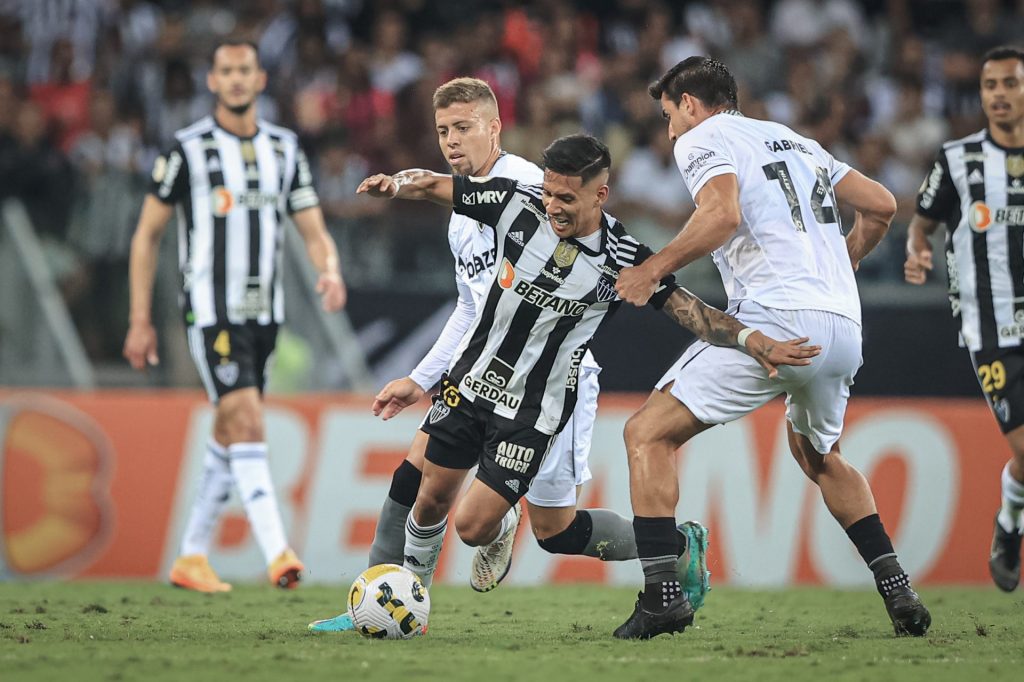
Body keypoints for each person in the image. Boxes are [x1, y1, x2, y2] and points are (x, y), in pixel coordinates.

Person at [309, 78, 711, 633]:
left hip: (548, 385)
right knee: (415, 479)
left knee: (557, 531)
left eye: (464, 128)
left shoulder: (531, 189)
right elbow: (472, 306)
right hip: (482, 372)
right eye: (443, 131)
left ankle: (678, 547)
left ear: (494, 127)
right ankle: (387, 605)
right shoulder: (462, 214)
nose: (452, 142)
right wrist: (421, 378)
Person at [352, 133, 819, 610]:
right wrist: (397, 184)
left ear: (600, 195)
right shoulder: (515, 202)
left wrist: (751, 340)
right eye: (549, 193)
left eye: (566, 198)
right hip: (469, 385)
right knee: (428, 500)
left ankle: (668, 541)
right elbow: (435, 186)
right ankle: (409, 606)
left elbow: (689, 310)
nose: (552, 206)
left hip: (533, 411)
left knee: (474, 528)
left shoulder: (622, 256)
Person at [613, 56, 931, 639]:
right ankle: (898, 589)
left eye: (668, 116)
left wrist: (653, 268)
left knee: (646, 433)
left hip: (775, 317)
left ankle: (662, 595)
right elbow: (883, 205)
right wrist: (845, 262)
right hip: (842, 325)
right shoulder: (797, 142)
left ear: (690, 103)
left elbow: (722, 214)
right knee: (819, 456)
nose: (669, 133)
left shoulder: (704, 137)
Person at [123, 40, 347, 593]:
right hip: (210, 312)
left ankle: (191, 556)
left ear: (261, 78)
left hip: (265, 314)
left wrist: (331, 269)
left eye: (246, 69)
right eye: (226, 70)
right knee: (246, 419)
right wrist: (139, 317)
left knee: (231, 427)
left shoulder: (285, 148)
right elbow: (147, 236)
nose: (237, 79)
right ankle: (278, 552)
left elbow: (313, 229)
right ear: (213, 81)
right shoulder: (187, 149)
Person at [905, 46, 1024, 593]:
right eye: (990, 85)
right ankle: (1009, 525)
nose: (999, 94)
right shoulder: (957, 159)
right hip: (991, 329)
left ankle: (1009, 521)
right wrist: (917, 251)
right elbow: (922, 223)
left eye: (1010, 83)